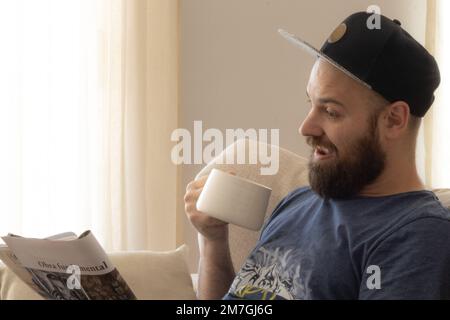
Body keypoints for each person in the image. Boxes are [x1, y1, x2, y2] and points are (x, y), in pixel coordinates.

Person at [184, 11, 450, 300]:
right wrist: (213, 241)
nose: (305, 127)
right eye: (310, 103)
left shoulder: (417, 234)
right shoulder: (298, 203)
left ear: (394, 120)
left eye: (331, 111)